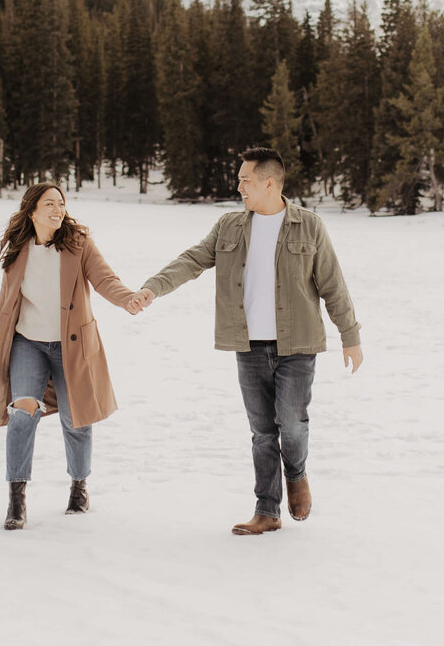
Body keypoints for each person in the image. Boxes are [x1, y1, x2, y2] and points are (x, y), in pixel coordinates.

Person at [135, 146, 362, 535]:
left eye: (246, 180)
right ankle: (267, 510)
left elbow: (333, 285)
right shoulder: (229, 226)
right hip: (249, 346)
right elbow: (192, 260)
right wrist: (153, 288)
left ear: (269, 183)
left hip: (298, 346)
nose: (239, 186)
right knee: (262, 433)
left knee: (291, 425)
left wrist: (350, 336)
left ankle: (297, 474)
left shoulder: (309, 226)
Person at [0, 182, 146, 530]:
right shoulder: (19, 249)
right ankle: (17, 500)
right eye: (49, 204)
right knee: (22, 413)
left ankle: (79, 486)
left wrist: (128, 298)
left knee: (77, 420)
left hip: (70, 345)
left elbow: (106, 279)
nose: (58, 209)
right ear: (32, 211)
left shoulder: (78, 245)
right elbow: (7, 300)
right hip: (27, 343)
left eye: (61, 203)